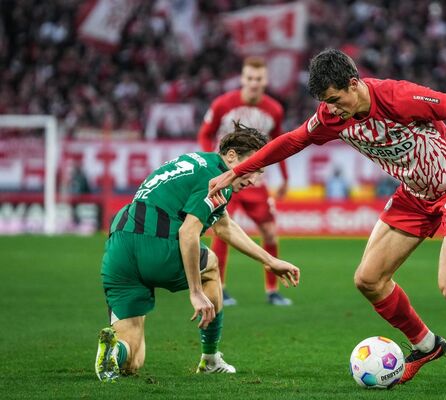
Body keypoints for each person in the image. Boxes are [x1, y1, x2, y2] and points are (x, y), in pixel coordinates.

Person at [209, 49, 446, 395]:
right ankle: (426, 345)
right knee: (368, 279)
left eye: (336, 100)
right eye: (326, 104)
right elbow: (291, 141)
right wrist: (237, 172)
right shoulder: (330, 117)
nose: (332, 111)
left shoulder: (400, 97)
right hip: (415, 194)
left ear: (354, 84)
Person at [94, 124, 301, 382]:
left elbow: (224, 226)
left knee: (133, 359)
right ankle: (211, 359)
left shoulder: (197, 162)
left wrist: (269, 261)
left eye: (260, 173)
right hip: (156, 244)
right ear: (232, 156)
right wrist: (195, 292)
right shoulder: (215, 178)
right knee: (212, 265)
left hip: (119, 248)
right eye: (254, 169)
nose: (253, 180)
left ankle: (114, 351)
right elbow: (188, 233)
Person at [197, 56, 293, 306]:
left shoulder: (274, 110)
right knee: (222, 229)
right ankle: (220, 286)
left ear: (265, 80)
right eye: (249, 78)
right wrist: (213, 165)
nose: (253, 83)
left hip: (254, 181)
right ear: (242, 78)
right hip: (226, 179)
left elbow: (278, 144)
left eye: (258, 78)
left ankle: (272, 290)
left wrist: (284, 177)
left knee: (270, 233)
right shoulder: (222, 104)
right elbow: (205, 134)